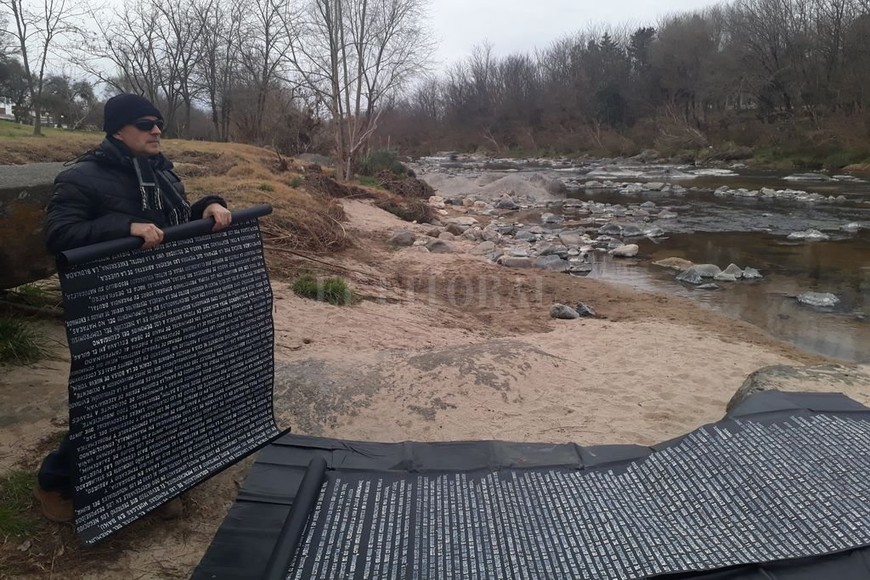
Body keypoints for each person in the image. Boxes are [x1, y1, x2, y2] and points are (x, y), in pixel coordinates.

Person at [34, 93, 233, 523]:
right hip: (110, 307)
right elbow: (59, 234)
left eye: (158, 123)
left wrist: (208, 205)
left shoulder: (162, 173)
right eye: (145, 124)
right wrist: (125, 227)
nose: (156, 130)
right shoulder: (82, 177)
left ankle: (149, 481)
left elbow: (173, 222)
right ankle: (55, 482)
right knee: (108, 400)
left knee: (166, 393)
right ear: (118, 131)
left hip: (165, 300)